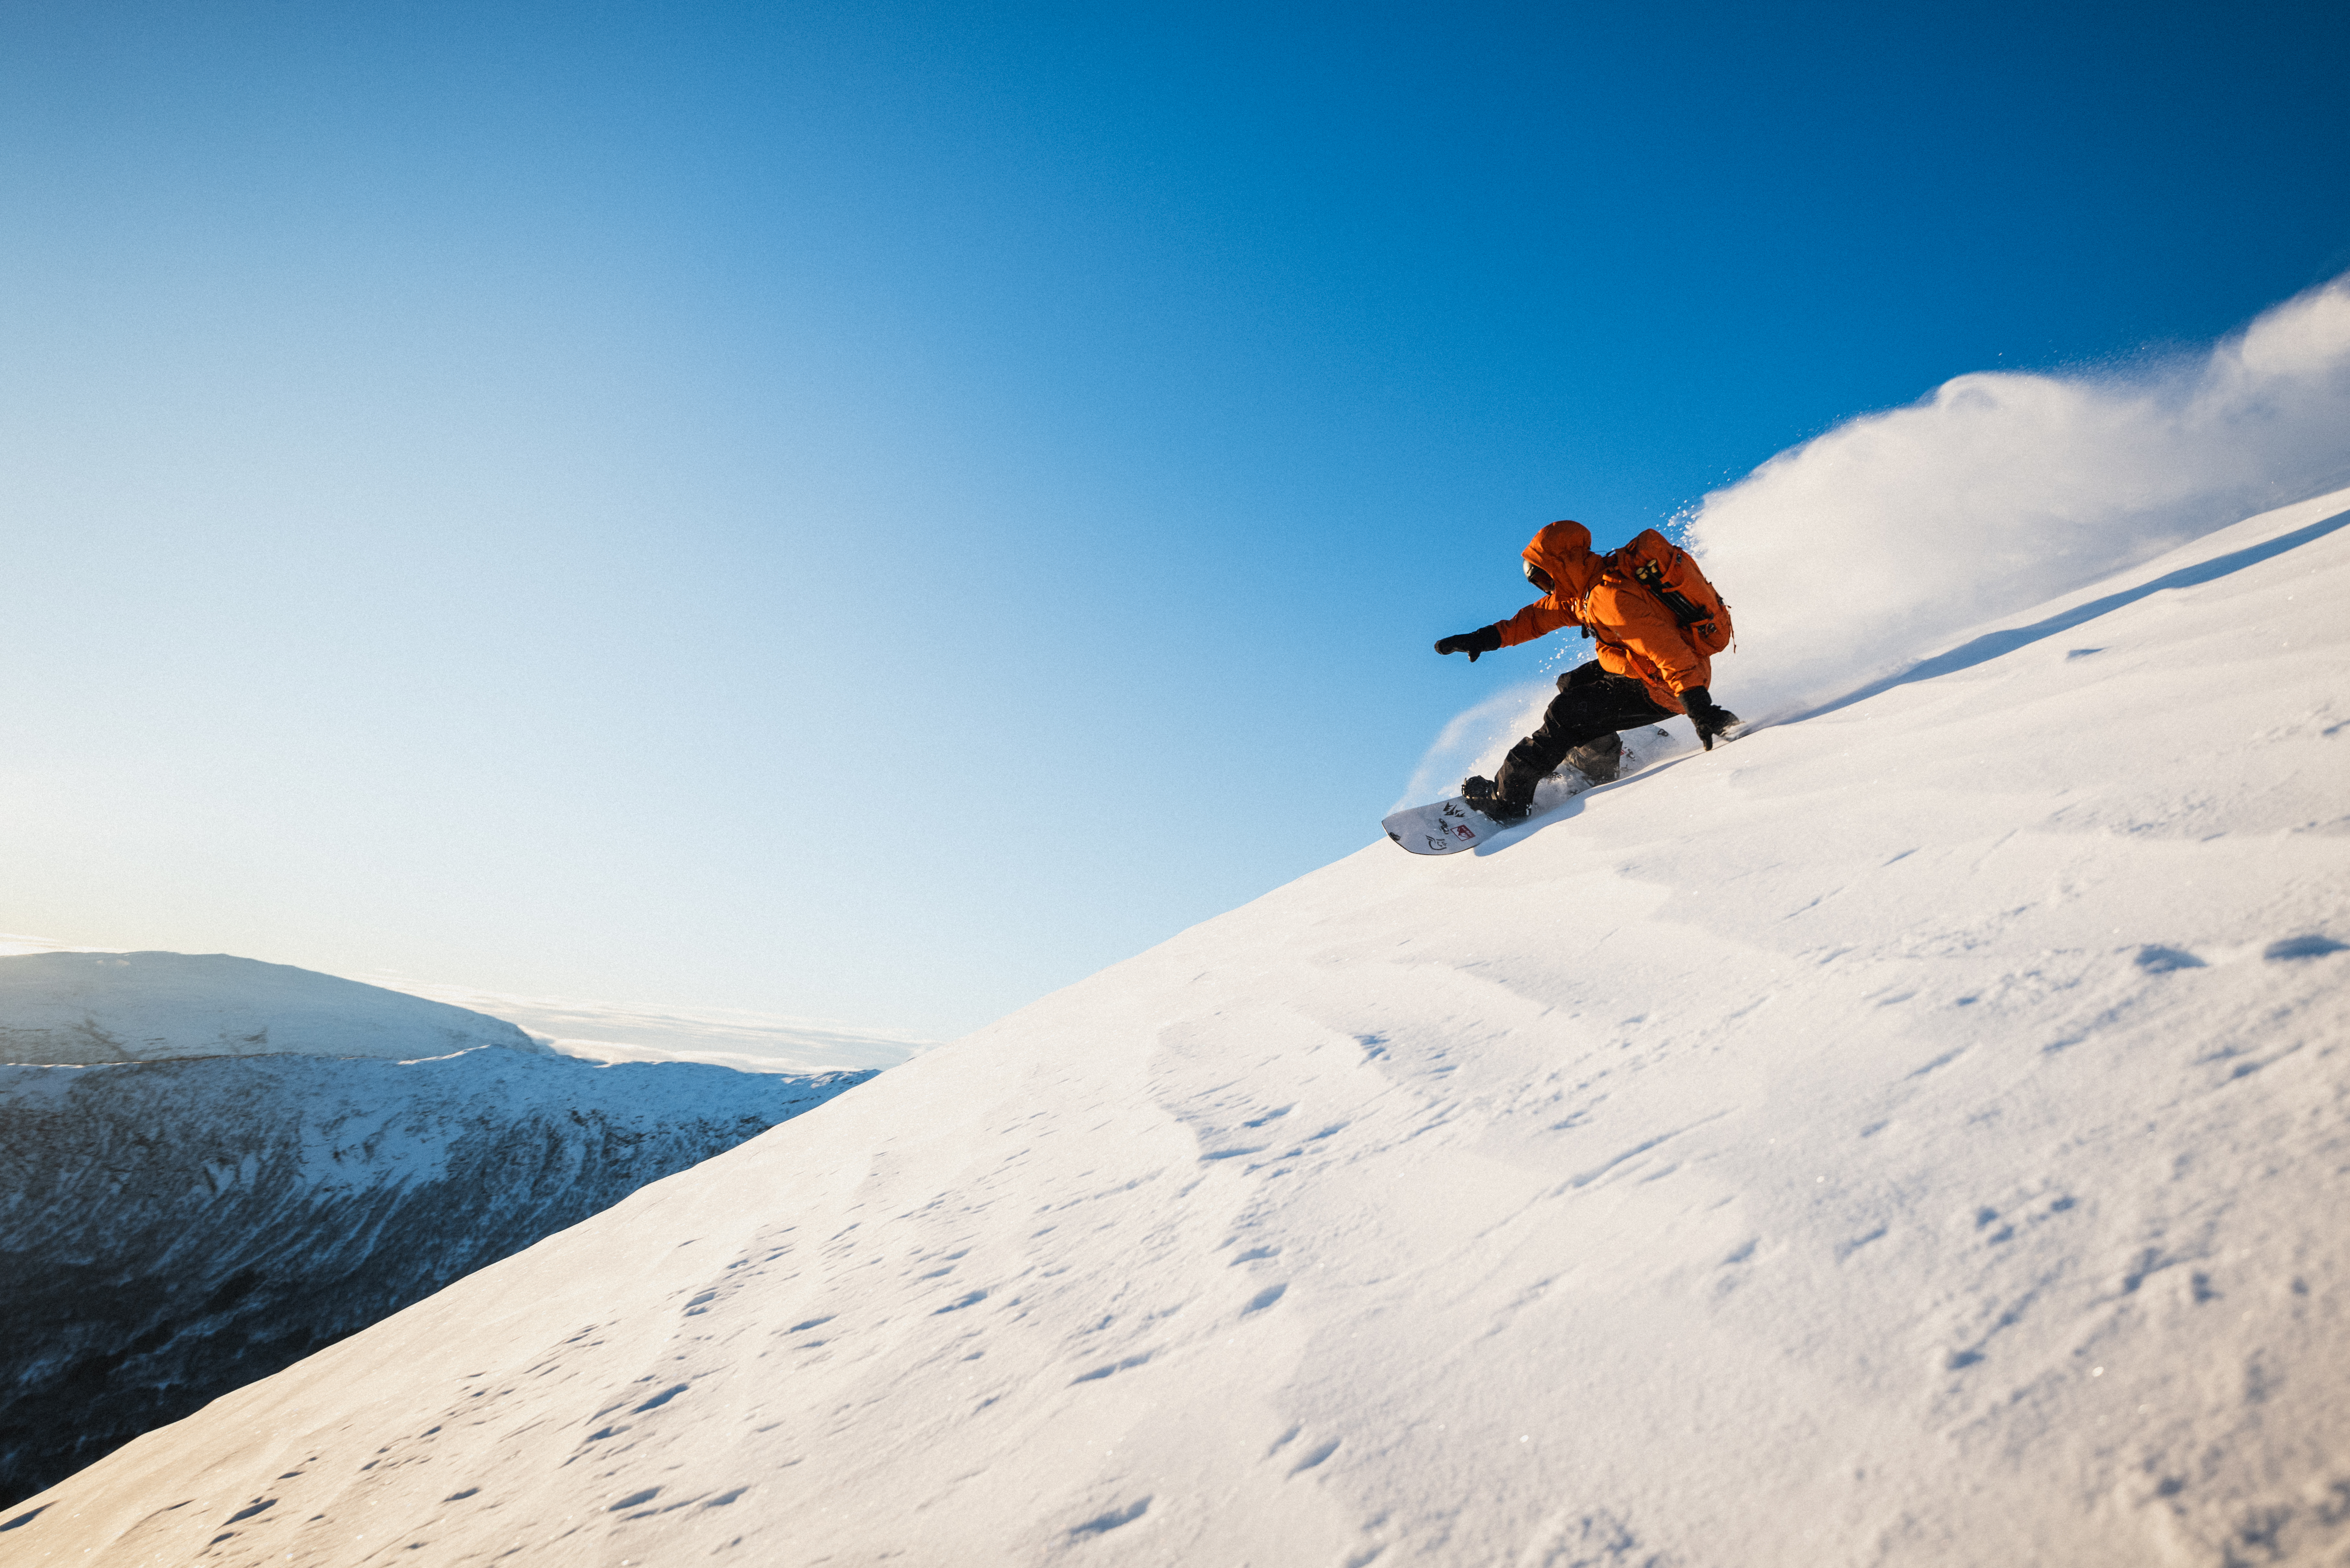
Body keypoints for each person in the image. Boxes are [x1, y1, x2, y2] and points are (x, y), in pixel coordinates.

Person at [1432, 520, 1739, 822]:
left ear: (1561, 565)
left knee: (1565, 713)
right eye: (1538, 583)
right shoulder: (1589, 589)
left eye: (1543, 578)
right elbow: (1537, 618)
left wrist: (1701, 709)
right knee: (1573, 683)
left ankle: (1507, 800)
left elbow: (1668, 651)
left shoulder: (1610, 597)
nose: (1546, 588)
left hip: (1667, 688)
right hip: (1647, 670)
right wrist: (1483, 639)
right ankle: (1598, 762)